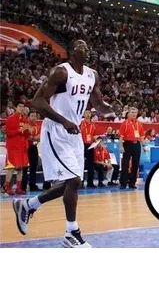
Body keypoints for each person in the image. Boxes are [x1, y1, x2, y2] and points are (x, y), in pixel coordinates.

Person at [13, 39, 117, 248]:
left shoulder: (92, 75)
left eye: (87, 46)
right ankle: (71, 233)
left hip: (74, 132)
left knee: (72, 183)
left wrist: (111, 108)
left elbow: (98, 104)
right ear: (70, 51)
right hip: (56, 130)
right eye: (80, 46)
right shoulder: (61, 72)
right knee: (74, 180)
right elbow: (37, 101)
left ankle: (28, 205)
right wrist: (63, 121)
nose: (86, 48)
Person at [3, 102, 31, 195]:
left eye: (23, 106)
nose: (22, 108)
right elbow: (8, 133)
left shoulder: (25, 119)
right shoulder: (10, 119)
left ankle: (19, 188)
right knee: (11, 167)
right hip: (13, 147)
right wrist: (18, 131)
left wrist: (28, 130)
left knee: (21, 168)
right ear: (15, 107)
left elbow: (27, 135)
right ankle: (7, 187)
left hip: (22, 147)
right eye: (20, 106)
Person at [118, 107, 144, 189]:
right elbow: (121, 137)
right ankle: (123, 183)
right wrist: (121, 146)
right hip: (127, 144)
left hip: (137, 145)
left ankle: (132, 183)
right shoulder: (124, 123)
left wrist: (144, 146)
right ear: (128, 113)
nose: (134, 114)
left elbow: (141, 137)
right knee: (125, 164)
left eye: (135, 112)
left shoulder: (139, 124)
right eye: (132, 112)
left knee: (135, 164)